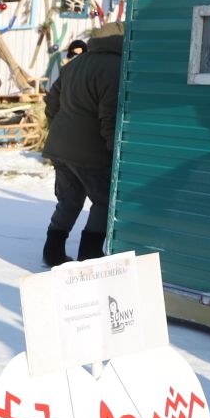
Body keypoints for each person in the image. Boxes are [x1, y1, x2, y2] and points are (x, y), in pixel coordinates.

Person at [41, 27, 123, 265]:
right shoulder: (117, 69)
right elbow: (109, 117)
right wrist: (114, 151)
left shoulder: (75, 64)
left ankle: (52, 252)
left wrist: (59, 130)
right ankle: (90, 255)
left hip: (60, 147)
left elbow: (51, 103)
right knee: (103, 201)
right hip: (92, 152)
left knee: (69, 200)